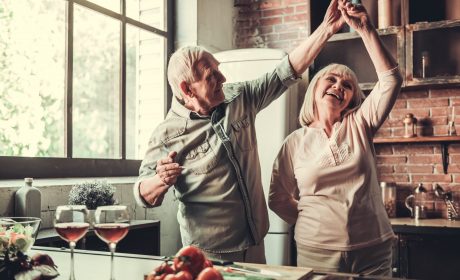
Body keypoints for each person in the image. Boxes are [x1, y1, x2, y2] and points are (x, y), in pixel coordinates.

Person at [133, 0, 347, 263]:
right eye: (212, 76)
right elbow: (143, 195)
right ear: (187, 90)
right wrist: (160, 180)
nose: (223, 79)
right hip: (209, 254)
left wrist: (326, 29)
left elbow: (284, 72)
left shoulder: (239, 97)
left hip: (255, 242)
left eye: (219, 70)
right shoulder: (166, 135)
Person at [268, 0, 403, 276]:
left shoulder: (360, 123)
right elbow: (278, 198)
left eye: (347, 85)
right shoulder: (294, 142)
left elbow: (390, 80)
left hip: (372, 249)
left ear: (352, 98)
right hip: (315, 251)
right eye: (331, 79)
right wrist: (314, 221)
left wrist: (365, 29)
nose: (338, 86)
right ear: (315, 88)